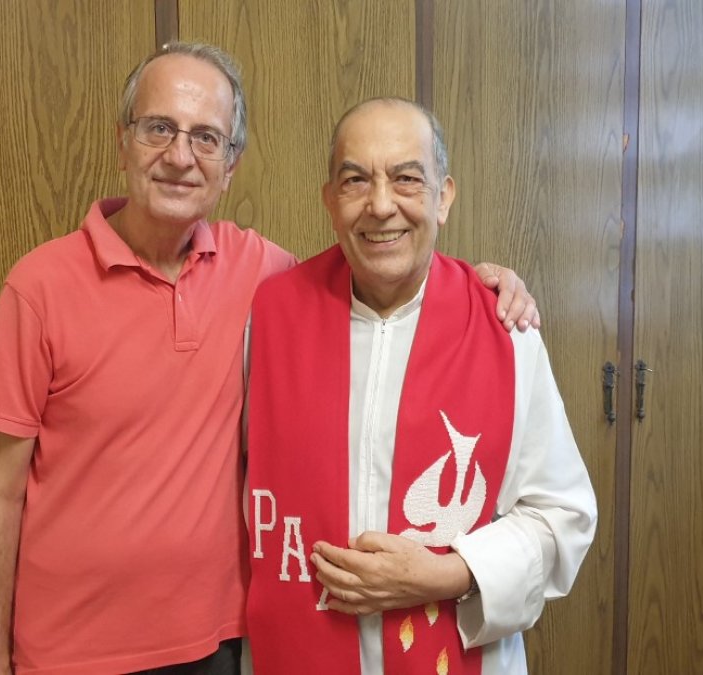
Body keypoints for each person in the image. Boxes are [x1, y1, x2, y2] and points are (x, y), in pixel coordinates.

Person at [0, 44, 539, 675]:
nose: (181, 156)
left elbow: (376, 261)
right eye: (160, 128)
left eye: (207, 137)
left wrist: (479, 283)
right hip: (72, 651)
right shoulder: (39, 286)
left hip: (222, 644)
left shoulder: (266, 278)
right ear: (122, 142)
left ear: (230, 164)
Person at [244, 97, 596, 674]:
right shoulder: (271, 316)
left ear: (444, 195)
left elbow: (562, 517)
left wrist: (447, 573)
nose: (381, 206)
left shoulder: (504, 329)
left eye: (406, 179)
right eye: (356, 180)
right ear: (330, 201)